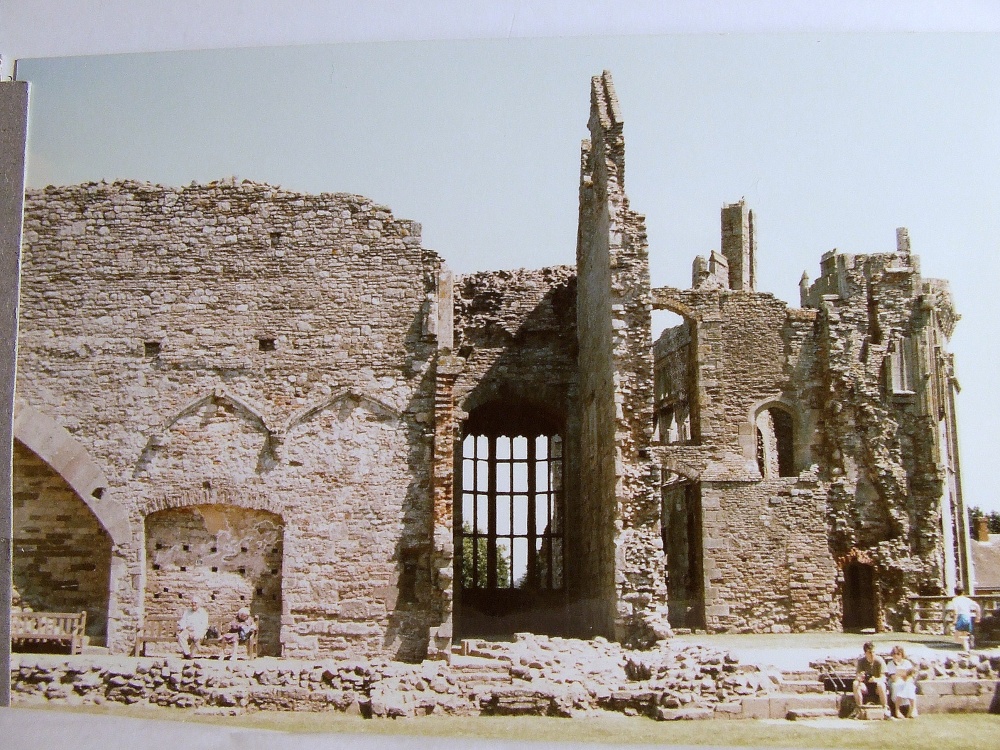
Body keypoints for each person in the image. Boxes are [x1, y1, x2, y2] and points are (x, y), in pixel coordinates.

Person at [853, 641, 889, 718]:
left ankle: (885, 708)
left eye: (873, 652)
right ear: (865, 653)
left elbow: (884, 677)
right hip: (866, 685)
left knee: (881, 684)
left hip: (877, 686)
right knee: (855, 684)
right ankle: (860, 709)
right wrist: (860, 677)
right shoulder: (861, 661)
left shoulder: (879, 661)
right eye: (870, 652)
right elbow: (857, 676)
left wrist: (875, 680)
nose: (872, 654)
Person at [945, 585, 981, 652]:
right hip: (968, 617)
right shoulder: (967, 599)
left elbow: (956, 611)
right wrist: (978, 616)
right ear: (963, 592)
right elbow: (977, 606)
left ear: (955, 592)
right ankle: (968, 645)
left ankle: (967, 648)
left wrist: (955, 620)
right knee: (963, 635)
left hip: (961, 617)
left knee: (958, 637)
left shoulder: (955, 600)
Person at [888, 645, 918, 718]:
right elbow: (893, 678)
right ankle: (897, 710)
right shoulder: (890, 664)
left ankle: (913, 709)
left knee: (909, 686)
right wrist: (898, 666)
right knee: (898, 685)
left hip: (906, 681)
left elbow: (910, 676)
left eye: (898, 654)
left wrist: (905, 678)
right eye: (894, 654)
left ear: (902, 655)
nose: (896, 656)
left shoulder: (907, 663)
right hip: (895, 682)